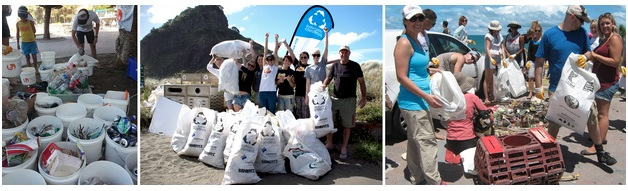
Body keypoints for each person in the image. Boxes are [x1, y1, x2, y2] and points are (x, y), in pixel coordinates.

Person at [534, 5, 616, 166]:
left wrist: (585, 57)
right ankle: (548, 152)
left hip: (579, 86)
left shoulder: (582, 33)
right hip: (557, 87)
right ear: (572, 17)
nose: (583, 24)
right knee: (555, 121)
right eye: (581, 21)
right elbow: (539, 61)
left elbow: (589, 52)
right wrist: (538, 87)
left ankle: (600, 152)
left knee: (591, 116)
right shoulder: (550, 35)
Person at [392, 5, 444, 185]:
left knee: (415, 142)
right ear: (405, 21)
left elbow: (415, 68)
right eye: (412, 19)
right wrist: (427, 96)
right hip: (414, 102)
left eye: (420, 18)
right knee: (428, 143)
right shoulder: (404, 42)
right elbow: (401, 77)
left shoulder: (418, 40)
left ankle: (417, 176)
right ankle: (434, 181)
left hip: (419, 101)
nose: (417, 22)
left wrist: (431, 70)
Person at [580, 13, 623, 156]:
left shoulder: (615, 38)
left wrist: (596, 55)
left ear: (613, 24)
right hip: (601, 81)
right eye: (602, 24)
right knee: (599, 113)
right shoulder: (605, 39)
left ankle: (597, 145)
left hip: (608, 82)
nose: (605, 26)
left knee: (602, 115)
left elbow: (616, 61)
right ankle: (600, 137)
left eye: (607, 23)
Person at [321, 44, 367, 160]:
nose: (344, 54)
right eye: (342, 52)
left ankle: (344, 148)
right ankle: (329, 143)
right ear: (339, 53)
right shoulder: (335, 66)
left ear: (349, 54)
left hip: (349, 101)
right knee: (330, 122)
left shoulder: (355, 66)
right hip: (334, 100)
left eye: (346, 52)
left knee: (347, 126)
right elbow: (328, 78)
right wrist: (323, 85)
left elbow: (362, 82)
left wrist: (364, 97)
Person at [445, 73, 488, 175]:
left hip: (450, 139)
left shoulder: (448, 98)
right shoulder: (471, 97)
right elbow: (486, 113)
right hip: (467, 139)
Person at [483, 20, 505, 103]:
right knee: (487, 78)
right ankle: (486, 97)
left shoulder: (500, 36)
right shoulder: (488, 36)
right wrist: (490, 58)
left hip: (498, 57)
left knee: (494, 77)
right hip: (491, 57)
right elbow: (488, 48)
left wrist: (504, 58)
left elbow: (502, 47)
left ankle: (492, 95)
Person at [259, 33, 280, 114]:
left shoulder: (275, 68)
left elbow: (275, 53)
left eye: (271, 59)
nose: (270, 60)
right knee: (264, 112)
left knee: (271, 112)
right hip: (262, 92)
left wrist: (276, 39)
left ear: (273, 60)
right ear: (266, 60)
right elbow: (265, 51)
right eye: (268, 59)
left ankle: (273, 126)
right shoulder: (265, 66)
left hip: (271, 92)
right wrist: (266, 38)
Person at [525, 21, 542, 99]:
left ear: (541, 31)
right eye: (536, 31)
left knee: (539, 78)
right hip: (532, 61)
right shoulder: (532, 41)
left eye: (539, 31)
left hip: (540, 61)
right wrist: (527, 61)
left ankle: (538, 93)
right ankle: (530, 93)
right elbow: (529, 52)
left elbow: (545, 51)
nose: (537, 32)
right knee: (531, 77)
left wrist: (547, 61)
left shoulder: (542, 41)